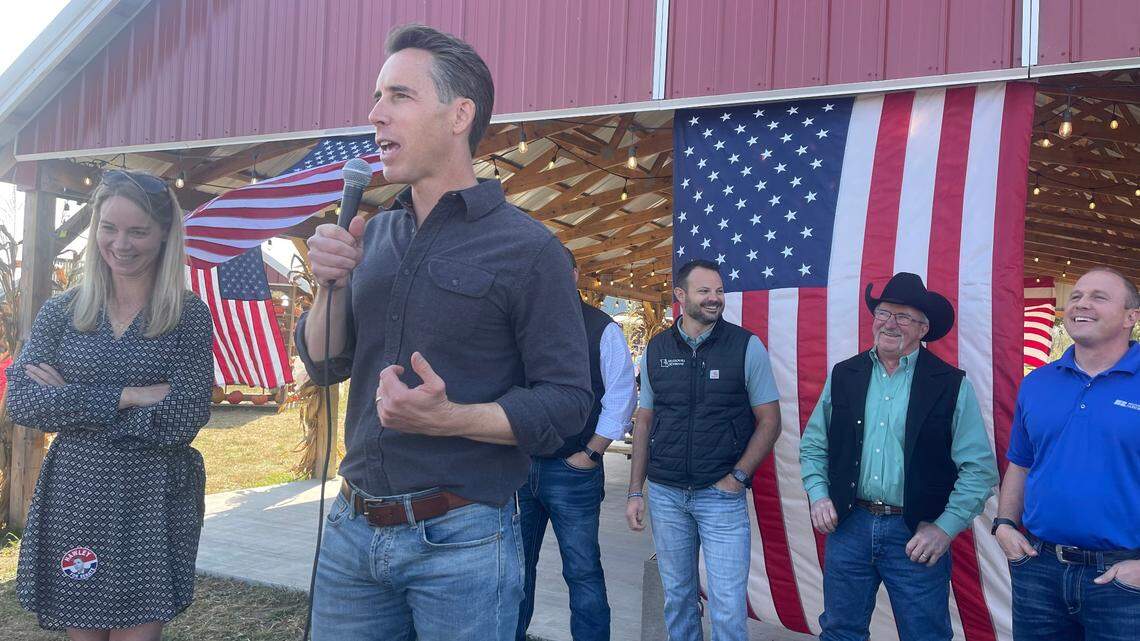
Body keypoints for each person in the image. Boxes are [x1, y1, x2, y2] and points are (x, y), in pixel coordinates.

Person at [296, 24, 592, 640]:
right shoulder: (371, 235)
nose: (375, 114)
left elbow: (567, 403)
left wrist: (449, 418)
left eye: (398, 96)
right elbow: (325, 364)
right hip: (352, 531)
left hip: (463, 543)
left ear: (460, 115)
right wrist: (332, 283)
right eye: (376, 97)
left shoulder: (530, 250)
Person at [6, 169, 214, 641]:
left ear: (164, 235)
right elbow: (22, 402)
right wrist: (127, 396)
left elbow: (183, 418)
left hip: (151, 496)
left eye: (138, 231)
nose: (121, 244)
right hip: (77, 495)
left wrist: (70, 404)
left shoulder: (186, 316)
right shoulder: (63, 311)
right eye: (109, 228)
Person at [798, 271, 998, 641]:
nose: (889, 323)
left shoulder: (951, 384)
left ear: (923, 329)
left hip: (915, 534)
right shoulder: (845, 374)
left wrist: (944, 528)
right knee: (840, 632)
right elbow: (813, 445)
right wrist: (819, 494)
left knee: (926, 635)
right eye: (884, 314)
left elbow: (979, 470)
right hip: (849, 525)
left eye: (903, 317)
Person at [625, 259, 781, 641]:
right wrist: (634, 490)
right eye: (704, 291)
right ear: (680, 296)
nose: (715, 299)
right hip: (665, 494)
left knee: (728, 608)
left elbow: (770, 421)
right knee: (678, 599)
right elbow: (644, 421)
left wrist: (738, 477)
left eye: (719, 291)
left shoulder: (746, 346)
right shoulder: (658, 349)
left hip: (720, 496)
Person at [995, 267, 1140, 641]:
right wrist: (1005, 525)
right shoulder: (1037, 383)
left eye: (1098, 297)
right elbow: (1021, 464)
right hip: (1039, 569)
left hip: (1124, 581)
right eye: (1076, 296)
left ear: (1131, 317)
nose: (1081, 304)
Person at [515, 247, 637, 641]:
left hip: (572, 469)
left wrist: (590, 453)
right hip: (519, 468)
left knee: (582, 570)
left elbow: (621, 395)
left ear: (574, 274)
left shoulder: (601, 327)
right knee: (514, 570)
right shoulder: (521, 325)